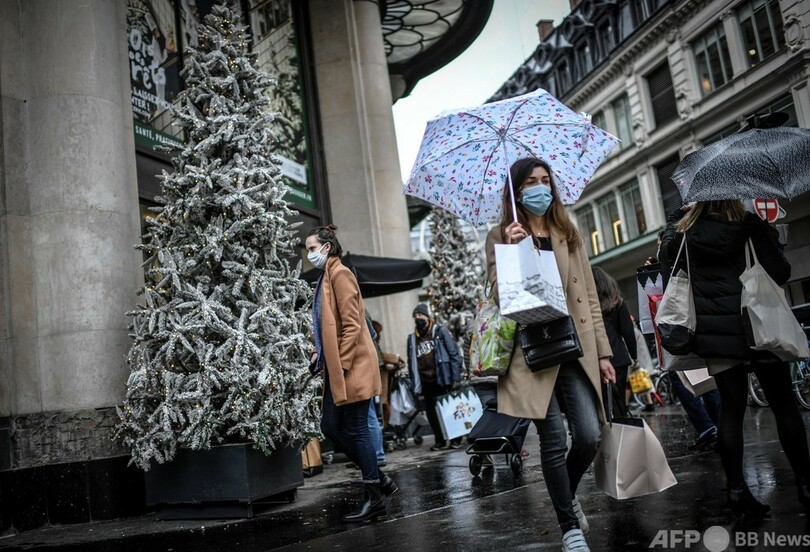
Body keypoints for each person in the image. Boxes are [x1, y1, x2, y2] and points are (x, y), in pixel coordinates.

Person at [486, 158, 615, 552]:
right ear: (516, 191)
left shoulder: (566, 231)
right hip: (532, 351)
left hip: (573, 346)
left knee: (590, 435)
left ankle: (566, 495)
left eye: (545, 181)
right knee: (553, 440)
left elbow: (590, 297)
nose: (540, 188)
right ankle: (568, 527)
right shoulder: (499, 235)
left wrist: (604, 353)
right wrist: (512, 247)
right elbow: (498, 295)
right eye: (530, 182)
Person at [659, 201, 810, 516]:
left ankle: (737, 491)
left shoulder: (685, 233)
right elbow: (780, 272)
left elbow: (667, 270)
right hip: (759, 327)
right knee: (783, 406)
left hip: (717, 336)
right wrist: (768, 235)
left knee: (731, 410)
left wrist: (677, 218)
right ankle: (806, 484)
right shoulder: (750, 225)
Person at [306, 225, 397, 522]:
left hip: (352, 365)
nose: (309, 255)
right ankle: (380, 480)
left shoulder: (341, 274)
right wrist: (320, 352)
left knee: (357, 429)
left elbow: (352, 325)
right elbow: (328, 327)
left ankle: (375, 497)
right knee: (330, 426)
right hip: (338, 366)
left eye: (311, 248)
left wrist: (341, 364)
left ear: (327, 247)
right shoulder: (326, 277)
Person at [645, 234, 721, 449]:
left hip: (681, 323)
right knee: (707, 376)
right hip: (702, 320)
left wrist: (657, 267)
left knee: (681, 377)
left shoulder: (674, 250)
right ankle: (717, 427)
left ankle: (708, 428)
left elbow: (668, 288)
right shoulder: (695, 248)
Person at [406, 303, 463, 451]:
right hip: (425, 381)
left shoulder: (440, 331)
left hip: (442, 378)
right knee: (432, 413)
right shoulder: (412, 339)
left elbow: (454, 354)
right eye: (416, 316)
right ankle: (440, 440)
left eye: (421, 315)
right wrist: (415, 384)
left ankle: (455, 439)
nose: (418, 318)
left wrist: (456, 377)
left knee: (448, 409)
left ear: (427, 317)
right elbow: (411, 361)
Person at [591, 267, 637, 412]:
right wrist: (634, 355)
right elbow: (628, 332)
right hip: (619, 358)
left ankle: (609, 431)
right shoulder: (618, 303)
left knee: (604, 402)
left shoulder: (589, 308)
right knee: (619, 401)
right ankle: (622, 428)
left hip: (596, 359)